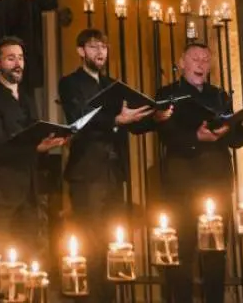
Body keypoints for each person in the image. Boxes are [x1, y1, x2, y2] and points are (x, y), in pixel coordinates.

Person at [57, 28, 159, 301]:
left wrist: (156, 117)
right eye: (93, 47)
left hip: (115, 173)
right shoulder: (70, 83)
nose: (100, 52)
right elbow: (79, 118)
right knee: (91, 244)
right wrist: (115, 120)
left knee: (113, 244)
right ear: (81, 51)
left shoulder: (113, 85)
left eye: (103, 47)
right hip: (88, 173)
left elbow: (133, 121)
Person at [154, 43, 243, 303]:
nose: (201, 63)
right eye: (195, 58)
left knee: (216, 253)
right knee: (182, 252)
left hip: (216, 181)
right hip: (182, 184)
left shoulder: (219, 96)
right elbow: (167, 135)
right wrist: (195, 137)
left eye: (206, 60)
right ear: (181, 63)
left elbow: (235, 141)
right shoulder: (167, 94)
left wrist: (241, 127)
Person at [0, 36, 66, 261]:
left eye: (21, 58)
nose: (18, 64)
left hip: (28, 194)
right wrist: (37, 148)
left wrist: (53, 139)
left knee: (27, 260)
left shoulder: (27, 98)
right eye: (11, 58)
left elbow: (33, 136)